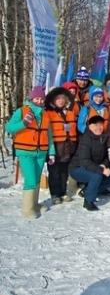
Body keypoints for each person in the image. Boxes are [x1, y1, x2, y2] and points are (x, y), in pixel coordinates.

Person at [7, 86, 55, 219]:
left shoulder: (45, 114)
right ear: (31, 98)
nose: (39, 101)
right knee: (31, 179)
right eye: (36, 98)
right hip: (25, 151)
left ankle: (35, 205)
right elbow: (9, 127)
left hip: (41, 152)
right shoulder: (21, 111)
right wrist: (23, 123)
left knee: (37, 179)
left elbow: (49, 135)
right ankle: (27, 209)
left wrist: (51, 153)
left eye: (41, 98)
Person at [69, 115, 110, 211]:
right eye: (95, 125)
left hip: (94, 167)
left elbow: (107, 156)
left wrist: (104, 165)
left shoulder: (104, 137)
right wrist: (101, 170)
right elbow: (84, 161)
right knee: (97, 176)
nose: (98, 127)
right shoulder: (85, 139)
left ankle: (87, 191)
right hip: (77, 168)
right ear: (89, 126)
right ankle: (88, 201)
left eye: (100, 125)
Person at [44, 86, 78, 204]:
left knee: (64, 171)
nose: (61, 101)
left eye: (63, 98)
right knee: (54, 172)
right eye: (58, 98)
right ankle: (55, 194)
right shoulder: (48, 113)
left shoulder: (70, 112)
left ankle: (63, 193)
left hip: (68, 146)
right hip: (54, 146)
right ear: (53, 100)